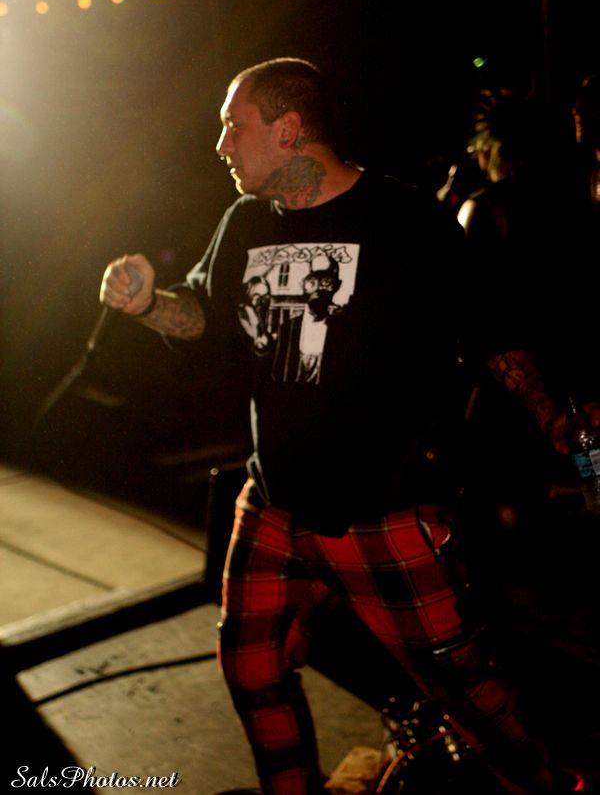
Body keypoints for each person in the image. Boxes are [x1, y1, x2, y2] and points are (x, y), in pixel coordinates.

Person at [100, 58, 585, 794]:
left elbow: (489, 329)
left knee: (464, 691)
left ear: (288, 129)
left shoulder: (403, 219)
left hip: (383, 511)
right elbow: (202, 314)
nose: (221, 144)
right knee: (251, 667)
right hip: (274, 504)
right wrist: (146, 305)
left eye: (234, 125)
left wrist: (549, 411)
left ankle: (548, 788)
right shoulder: (243, 222)